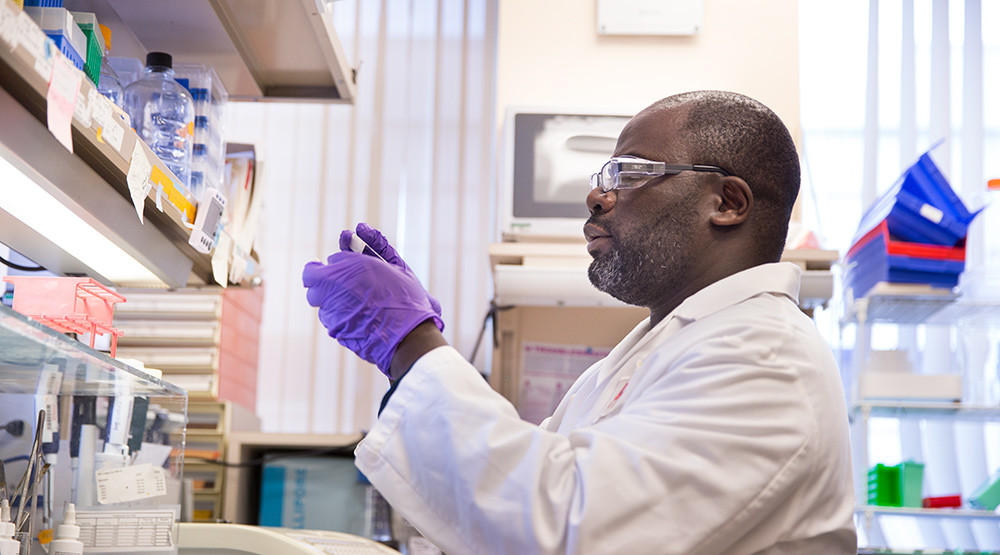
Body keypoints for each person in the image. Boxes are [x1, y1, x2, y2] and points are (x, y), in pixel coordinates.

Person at [302, 90, 857, 554]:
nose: (596, 195)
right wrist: (417, 351)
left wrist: (411, 342)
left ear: (727, 202)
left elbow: (566, 525)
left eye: (630, 173)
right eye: (603, 175)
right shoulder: (645, 358)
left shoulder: (765, 357)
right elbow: (511, 492)